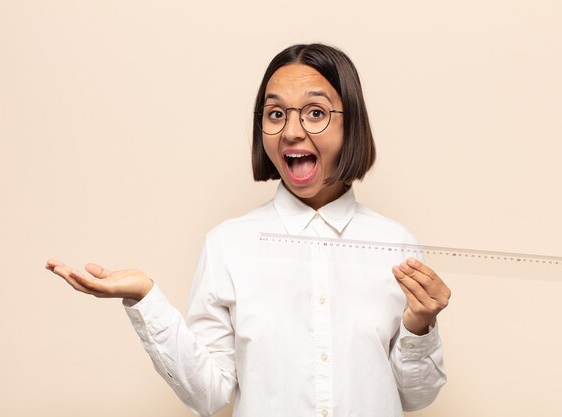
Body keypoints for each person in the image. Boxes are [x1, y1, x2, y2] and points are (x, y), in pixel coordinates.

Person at [46, 43, 451, 417]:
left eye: (315, 112)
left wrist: (420, 326)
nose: (292, 132)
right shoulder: (228, 244)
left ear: (352, 125)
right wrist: (145, 299)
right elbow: (209, 393)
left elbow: (416, 395)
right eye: (276, 114)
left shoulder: (396, 244)